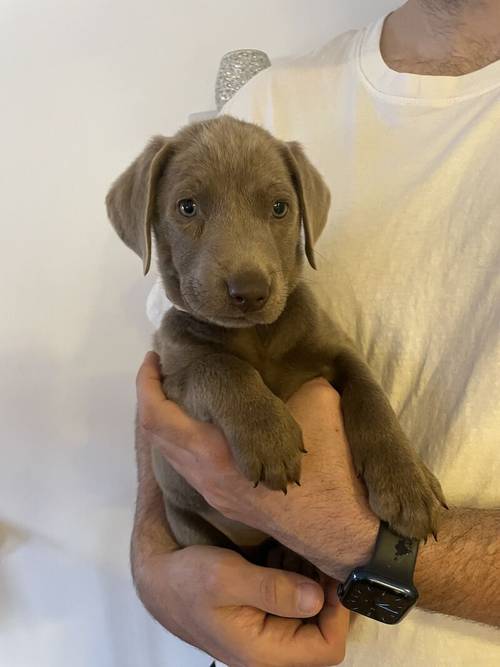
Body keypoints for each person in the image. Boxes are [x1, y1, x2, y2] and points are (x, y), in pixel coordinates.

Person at [132, 1, 500, 665]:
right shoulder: (265, 97)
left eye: (277, 210)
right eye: (189, 208)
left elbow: (340, 368)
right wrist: (156, 569)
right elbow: (167, 384)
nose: (246, 265)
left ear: (302, 218)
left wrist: (365, 542)